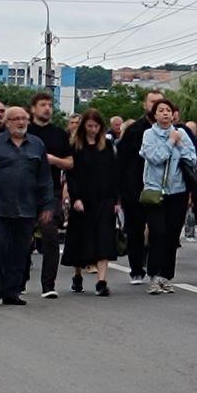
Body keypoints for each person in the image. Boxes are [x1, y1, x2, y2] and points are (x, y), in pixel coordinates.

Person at [0, 105, 56, 307]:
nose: (21, 122)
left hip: (27, 209)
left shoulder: (37, 145)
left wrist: (47, 205)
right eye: (16, 119)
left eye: (24, 118)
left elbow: (45, 179)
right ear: (7, 123)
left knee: (20, 252)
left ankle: (12, 292)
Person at [138, 98, 197, 295]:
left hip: (178, 191)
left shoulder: (181, 133)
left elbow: (191, 158)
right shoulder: (149, 134)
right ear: (154, 115)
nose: (165, 113)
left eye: (168, 110)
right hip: (155, 190)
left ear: (173, 115)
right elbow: (155, 157)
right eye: (161, 110)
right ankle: (154, 274)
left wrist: (179, 143)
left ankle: (167, 276)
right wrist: (171, 142)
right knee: (158, 232)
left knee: (172, 235)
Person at [65, 108, 119, 295]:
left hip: (104, 198)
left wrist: (116, 200)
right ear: (83, 126)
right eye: (89, 126)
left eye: (96, 126)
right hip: (83, 198)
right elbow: (71, 176)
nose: (93, 129)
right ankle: (77, 274)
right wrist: (75, 198)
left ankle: (101, 281)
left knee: (104, 238)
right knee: (81, 237)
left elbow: (114, 173)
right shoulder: (75, 147)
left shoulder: (107, 146)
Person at [26, 92, 74, 298]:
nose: (47, 108)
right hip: (25, 190)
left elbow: (71, 163)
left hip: (51, 190)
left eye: (49, 105)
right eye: (42, 105)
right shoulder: (26, 131)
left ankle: (48, 284)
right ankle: (19, 280)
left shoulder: (59, 134)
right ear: (33, 109)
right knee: (23, 238)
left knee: (51, 235)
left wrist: (54, 160)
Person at [116, 91, 163, 284]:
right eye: (152, 102)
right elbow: (121, 161)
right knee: (135, 230)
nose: (156, 107)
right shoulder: (134, 130)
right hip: (134, 187)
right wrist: (120, 190)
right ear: (145, 105)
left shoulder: (171, 131)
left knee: (158, 230)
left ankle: (154, 267)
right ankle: (136, 268)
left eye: (160, 103)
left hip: (160, 187)